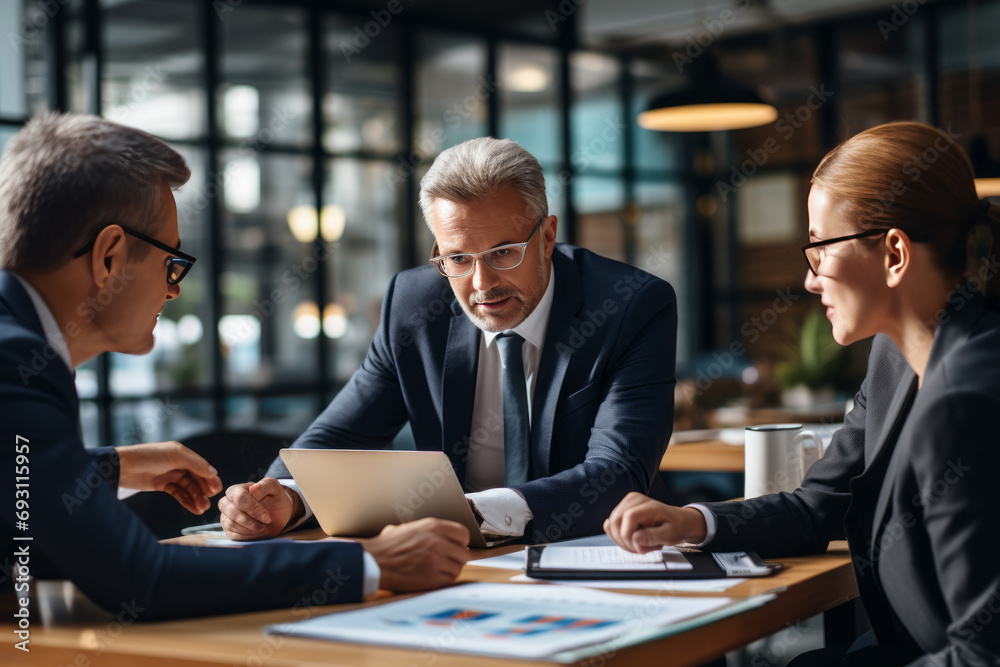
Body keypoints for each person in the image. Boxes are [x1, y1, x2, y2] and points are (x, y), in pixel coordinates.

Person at [0, 113, 470, 621]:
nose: (174, 289)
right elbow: (137, 578)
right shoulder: (17, 359)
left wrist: (109, 468)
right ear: (109, 258)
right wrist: (373, 562)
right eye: (171, 262)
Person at [603, 121, 1000, 666]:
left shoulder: (967, 400)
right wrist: (693, 522)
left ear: (894, 255)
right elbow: (819, 507)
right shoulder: (893, 360)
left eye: (819, 248)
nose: (811, 280)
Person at [220, 137, 678, 545]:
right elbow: (341, 435)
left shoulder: (630, 306)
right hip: (456, 563)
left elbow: (618, 474)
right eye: (457, 257)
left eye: (503, 252)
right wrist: (285, 500)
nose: (481, 284)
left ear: (547, 237)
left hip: (598, 552)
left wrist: (474, 514)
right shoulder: (414, 305)